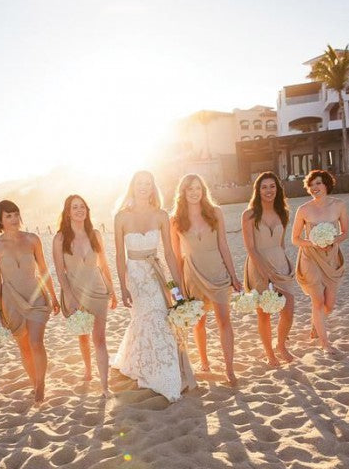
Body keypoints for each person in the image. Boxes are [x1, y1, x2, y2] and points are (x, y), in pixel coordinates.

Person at [112, 170, 196, 402]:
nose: (144, 187)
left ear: (152, 187)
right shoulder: (121, 217)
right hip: (134, 275)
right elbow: (119, 255)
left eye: (148, 183)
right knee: (143, 318)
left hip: (155, 273)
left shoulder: (161, 215)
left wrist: (177, 284)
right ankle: (143, 364)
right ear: (133, 186)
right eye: (140, 183)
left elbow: (168, 252)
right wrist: (123, 286)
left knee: (160, 317)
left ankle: (165, 373)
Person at [171, 173, 241, 384]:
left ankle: (229, 368)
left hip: (218, 271)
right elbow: (175, 255)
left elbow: (223, 245)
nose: (194, 192)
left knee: (224, 320)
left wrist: (233, 275)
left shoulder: (215, 212)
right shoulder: (175, 220)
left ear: (203, 191)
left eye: (198, 188)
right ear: (183, 192)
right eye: (189, 189)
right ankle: (204, 360)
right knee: (198, 321)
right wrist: (179, 286)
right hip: (193, 274)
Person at [0, 200, 60, 404]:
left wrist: (53, 295)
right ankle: (34, 382)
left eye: (16, 214)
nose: (14, 219)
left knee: (36, 342)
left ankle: (41, 386)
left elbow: (44, 269)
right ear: (0, 220)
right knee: (24, 347)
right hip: (11, 300)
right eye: (8, 216)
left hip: (35, 296)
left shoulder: (32, 239)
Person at [53, 194, 117, 397]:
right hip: (75, 292)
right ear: (67, 212)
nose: (79, 210)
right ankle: (88, 369)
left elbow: (104, 264)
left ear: (87, 210)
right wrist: (70, 297)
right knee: (83, 336)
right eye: (75, 207)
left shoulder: (95, 234)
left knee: (99, 338)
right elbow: (60, 272)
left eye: (82, 206)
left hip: (98, 290)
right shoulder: (60, 238)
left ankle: (105, 386)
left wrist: (112, 290)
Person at [242, 171, 295, 366]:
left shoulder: (284, 213)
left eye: (272, 186)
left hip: (280, 264)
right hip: (258, 264)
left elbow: (281, 243)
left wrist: (283, 264)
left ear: (278, 189)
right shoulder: (249, 215)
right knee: (264, 313)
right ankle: (269, 352)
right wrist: (264, 271)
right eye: (264, 187)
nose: (268, 190)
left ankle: (281, 345)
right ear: (258, 190)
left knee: (288, 310)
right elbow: (250, 248)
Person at [292, 169, 347, 352]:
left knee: (328, 305)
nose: (314, 187)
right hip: (310, 257)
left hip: (331, 257)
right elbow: (295, 239)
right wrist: (314, 243)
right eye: (311, 184)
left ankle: (316, 323)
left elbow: (345, 232)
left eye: (318, 183)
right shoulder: (303, 209)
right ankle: (325, 343)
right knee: (318, 301)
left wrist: (332, 240)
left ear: (326, 185)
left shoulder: (339, 205)